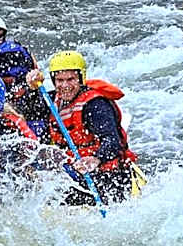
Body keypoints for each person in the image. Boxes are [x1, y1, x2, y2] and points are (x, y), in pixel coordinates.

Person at [25, 50, 139, 205]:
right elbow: (29, 111)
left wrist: (96, 158)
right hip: (75, 170)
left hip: (108, 174)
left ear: (81, 78)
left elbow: (113, 141)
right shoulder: (52, 100)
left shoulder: (95, 105)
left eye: (70, 79)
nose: (65, 86)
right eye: (60, 80)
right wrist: (32, 89)